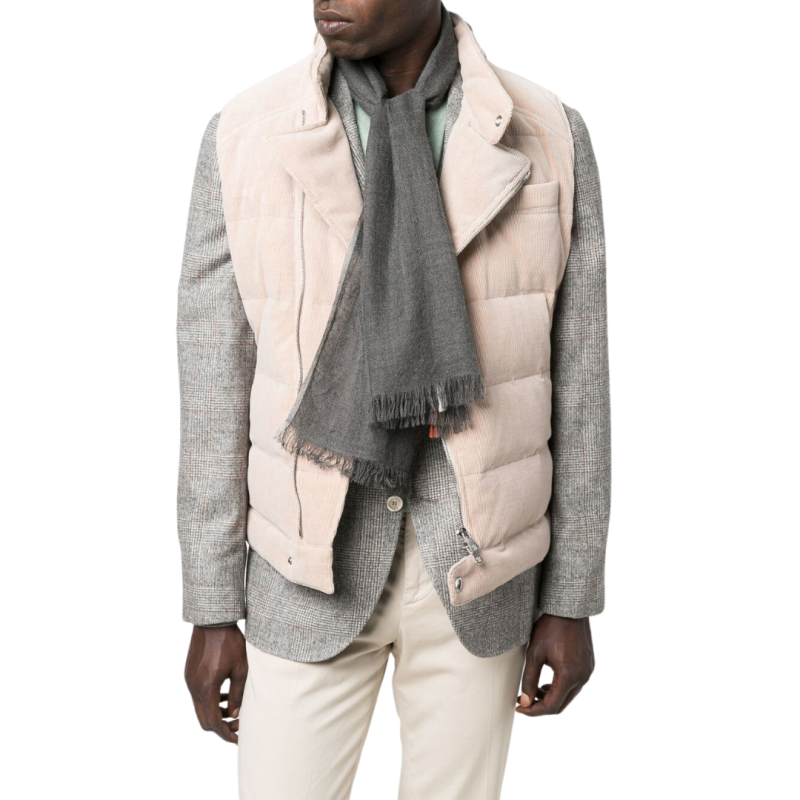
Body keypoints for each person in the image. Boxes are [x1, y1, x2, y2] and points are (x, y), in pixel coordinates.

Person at [176, 2, 611, 798]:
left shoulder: (549, 130)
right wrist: (211, 608)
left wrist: (573, 600)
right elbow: (211, 384)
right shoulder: (245, 132)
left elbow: (580, 382)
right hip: (303, 571)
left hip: (480, 574)